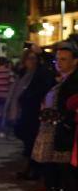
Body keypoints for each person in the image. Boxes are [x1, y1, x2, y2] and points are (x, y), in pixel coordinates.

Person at [47, 43, 78, 191]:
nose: (59, 63)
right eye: (57, 59)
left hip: (70, 133)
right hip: (66, 130)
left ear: (75, 61)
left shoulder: (74, 80)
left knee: (69, 174)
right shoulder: (66, 78)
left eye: (64, 59)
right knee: (67, 173)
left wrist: (63, 119)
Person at [12, 50, 55, 180]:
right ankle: (31, 169)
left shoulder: (39, 74)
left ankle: (33, 170)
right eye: (29, 58)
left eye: (34, 58)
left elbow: (42, 89)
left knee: (31, 141)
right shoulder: (23, 75)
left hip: (34, 112)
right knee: (27, 140)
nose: (32, 61)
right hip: (24, 111)